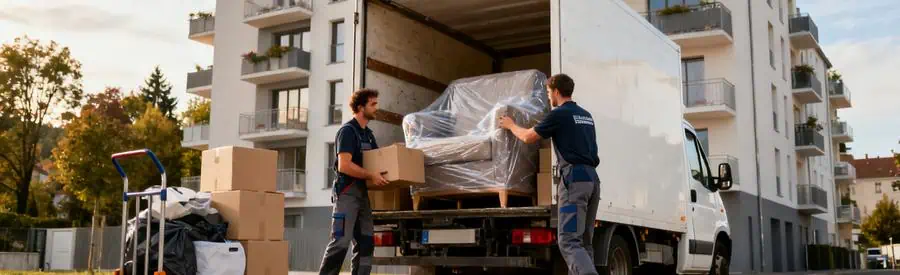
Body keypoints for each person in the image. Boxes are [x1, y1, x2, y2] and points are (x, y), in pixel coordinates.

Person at [498, 74, 600, 275]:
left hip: (574, 181)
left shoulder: (559, 114)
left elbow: (528, 137)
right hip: (592, 180)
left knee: (569, 242)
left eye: (547, 92)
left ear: (556, 91)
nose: (547, 97)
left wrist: (510, 125)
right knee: (583, 244)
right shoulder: (586, 115)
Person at [319, 88, 390, 275]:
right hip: (346, 194)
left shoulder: (368, 135)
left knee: (366, 241)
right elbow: (344, 165)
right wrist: (371, 175)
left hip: (362, 195)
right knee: (340, 242)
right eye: (373, 104)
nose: (377, 108)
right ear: (360, 107)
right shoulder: (347, 132)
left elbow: (378, 160)